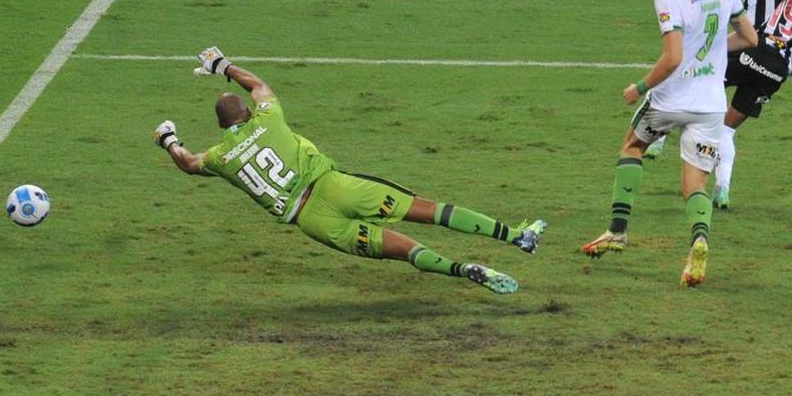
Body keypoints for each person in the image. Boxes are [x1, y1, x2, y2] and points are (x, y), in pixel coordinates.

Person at [153, 47, 547, 294]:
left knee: (402, 250)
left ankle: (465, 270)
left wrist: (168, 138)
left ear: (223, 127)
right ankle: (517, 237)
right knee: (429, 210)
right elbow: (259, 85)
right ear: (247, 113)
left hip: (311, 219)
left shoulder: (222, 157)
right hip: (334, 186)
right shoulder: (268, 120)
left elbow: (188, 163)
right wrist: (222, 64)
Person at [581, 0, 757, 287]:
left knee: (632, 146)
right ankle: (699, 242)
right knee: (694, 184)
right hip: (710, 105)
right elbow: (749, 37)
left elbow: (673, 57)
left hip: (669, 100)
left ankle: (617, 230)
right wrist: (711, 51)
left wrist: (640, 86)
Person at [643, 0, 792, 210]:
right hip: (779, 65)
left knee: (683, 64)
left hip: (756, 47)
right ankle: (722, 190)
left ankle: (655, 138)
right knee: (725, 129)